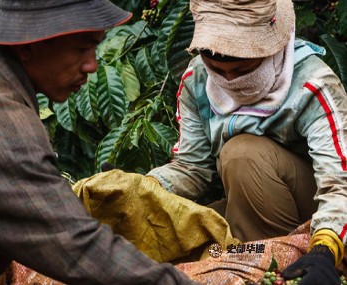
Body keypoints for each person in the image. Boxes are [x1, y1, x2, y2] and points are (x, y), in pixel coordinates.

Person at [0, 1, 200, 284]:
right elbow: (76, 247)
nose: (92, 65)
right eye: (81, 49)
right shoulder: (3, 136)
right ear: (27, 46)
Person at [146, 0, 347, 284]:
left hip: (318, 213)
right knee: (183, 231)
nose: (229, 80)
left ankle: (270, 264)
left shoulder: (312, 83)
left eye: (241, 71)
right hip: (249, 202)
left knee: (242, 154)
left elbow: (340, 182)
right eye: (218, 70)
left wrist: (326, 248)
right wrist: (143, 187)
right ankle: (250, 259)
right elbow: (191, 167)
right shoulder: (197, 80)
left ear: (271, 50)